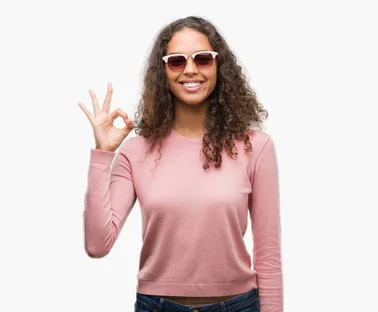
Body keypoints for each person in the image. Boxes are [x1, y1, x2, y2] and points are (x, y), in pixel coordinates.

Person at [78, 16, 283, 312]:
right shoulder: (135, 152)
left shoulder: (256, 147)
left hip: (239, 305)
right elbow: (98, 245)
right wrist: (103, 154)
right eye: (176, 61)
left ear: (218, 66)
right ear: (163, 71)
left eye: (202, 59)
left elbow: (268, 254)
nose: (190, 69)